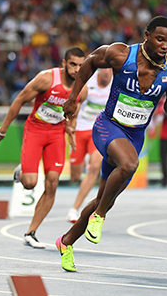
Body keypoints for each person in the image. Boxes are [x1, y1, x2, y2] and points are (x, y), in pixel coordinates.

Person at [56, 15, 167, 272]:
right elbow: (90, 62)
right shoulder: (120, 54)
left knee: (105, 197)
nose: (165, 45)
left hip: (135, 136)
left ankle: (67, 241)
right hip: (108, 126)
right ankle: (99, 216)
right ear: (146, 35)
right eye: (160, 39)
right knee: (129, 165)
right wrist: (73, 98)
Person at [0, 47, 87, 248]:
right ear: (63, 63)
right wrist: (3, 129)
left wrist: (71, 129)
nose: (77, 69)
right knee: (30, 183)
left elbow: (73, 112)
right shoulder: (46, 79)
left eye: (80, 65)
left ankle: (31, 232)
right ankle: (22, 171)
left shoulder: (82, 90)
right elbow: (20, 99)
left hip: (56, 135)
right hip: (35, 130)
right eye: (73, 64)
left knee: (52, 182)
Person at [67, 67, 113, 223]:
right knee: (74, 177)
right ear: (100, 71)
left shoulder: (115, 85)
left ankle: (74, 209)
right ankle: (82, 163)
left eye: (110, 69)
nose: (107, 72)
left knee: (94, 168)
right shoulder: (89, 83)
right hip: (80, 130)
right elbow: (76, 104)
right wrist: (71, 126)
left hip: (99, 131)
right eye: (104, 68)